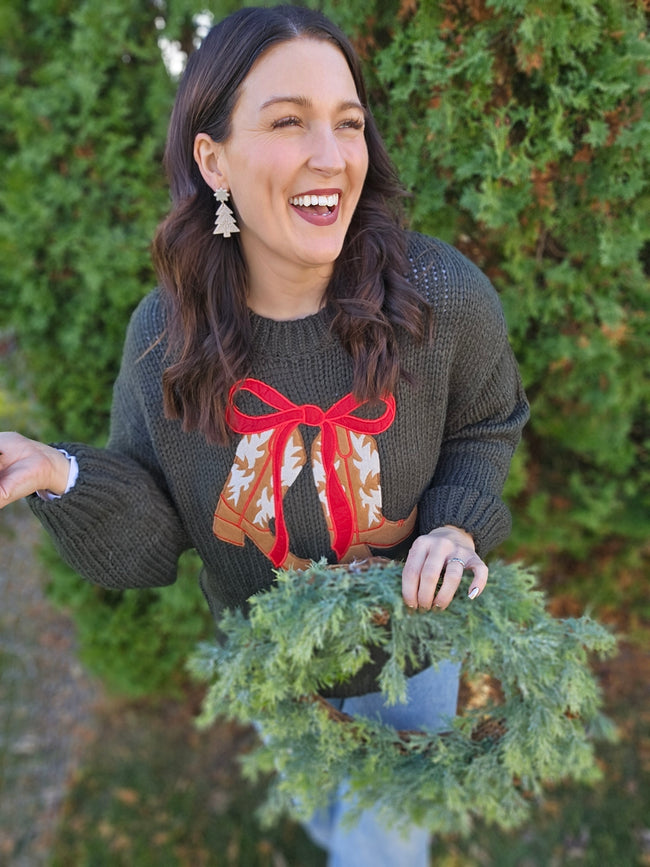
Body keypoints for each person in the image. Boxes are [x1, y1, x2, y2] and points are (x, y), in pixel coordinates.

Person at [0, 5, 529, 864]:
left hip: (415, 657)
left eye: (347, 124)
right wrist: (58, 471)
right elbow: (153, 539)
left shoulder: (444, 299)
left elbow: (485, 424)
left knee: (382, 848)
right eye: (289, 122)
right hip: (273, 665)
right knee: (320, 801)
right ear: (214, 160)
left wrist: (454, 523)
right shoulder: (164, 341)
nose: (331, 155)